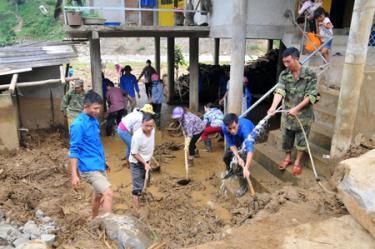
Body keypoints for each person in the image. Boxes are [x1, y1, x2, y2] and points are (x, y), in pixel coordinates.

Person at [267, 47, 318, 176]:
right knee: (286, 139)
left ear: (296, 59)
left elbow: (311, 95)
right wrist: (273, 107)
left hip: (303, 115)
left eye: (288, 61)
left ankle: (298, 161)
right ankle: (288, 158)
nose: (286, 64)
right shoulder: (284, 74)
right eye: (284, 62)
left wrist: (297, 108)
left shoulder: (310, 74)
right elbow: (280, 91)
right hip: (288, 115)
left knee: (302, 140)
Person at [69, 90, 113, 218]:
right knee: (108, 193)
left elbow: (96, 143)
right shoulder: (78, 125)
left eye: (99, 108)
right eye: (95, 108)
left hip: (98, 163)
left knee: (98, 195)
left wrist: (104, 160)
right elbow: (74, 150)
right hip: (88, 167)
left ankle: (93, 220)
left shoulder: (94, 121)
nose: (98, 111)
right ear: (86, 106)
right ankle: (109, 228)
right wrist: (74, 175)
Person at [222, 113, 255, 198]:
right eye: (230, 128)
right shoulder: (224, 127)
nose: (232, 130)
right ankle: (230, 170)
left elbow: (250, 150)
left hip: (248, 137)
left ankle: (243, 186)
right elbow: (231, 144)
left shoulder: (245, 129)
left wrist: (246, 167)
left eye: (234, 127)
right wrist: (237, 156)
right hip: (237, 138)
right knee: (226, 157)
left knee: (241, 166)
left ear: (238, 123)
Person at [129, 114, 155, 215]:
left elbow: (150, 144)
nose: (149, 128)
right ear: (141, 124)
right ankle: (136, 211)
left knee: (146, 180)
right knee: (137, 187)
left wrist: (149, 160)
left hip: (147, 161)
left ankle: (142, 197)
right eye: (146, 126)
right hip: (136, 162)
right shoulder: (137, 136)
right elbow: (134, 153)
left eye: (151, 126)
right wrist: (144, 163)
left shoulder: (153, 131)